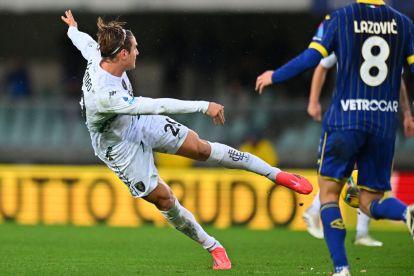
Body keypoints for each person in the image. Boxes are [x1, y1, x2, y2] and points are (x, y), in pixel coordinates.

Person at [61, 10, 313, 271]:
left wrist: (72, 29)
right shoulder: (105, 96)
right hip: (118, 146)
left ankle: (276, 175)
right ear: (122, 54)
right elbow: (156, 106)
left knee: (201, 148)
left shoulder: (99, 54)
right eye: (135, 47)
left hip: (136, 122)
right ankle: (213, 246)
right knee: (164, 199)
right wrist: (204, 106)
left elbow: (84, 42)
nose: (138, 50)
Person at [255, 1, 414, 275]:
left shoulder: (339, 18)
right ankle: (405, 213)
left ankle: (341, 269)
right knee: (370, 202)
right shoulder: (404, 24)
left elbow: (311, 58)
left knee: (329, 195)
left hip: (345, 120)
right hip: (384, 124)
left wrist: (275, 75)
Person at [303, 53, 414, 246]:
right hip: (354, 119)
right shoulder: (354, 33)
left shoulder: (369, 36)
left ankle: (359, 232)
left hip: (372, 120)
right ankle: (315, 212)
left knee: (362, 181)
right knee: (345, 176)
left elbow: (398, 80)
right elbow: (321, 63)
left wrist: (406, 112)